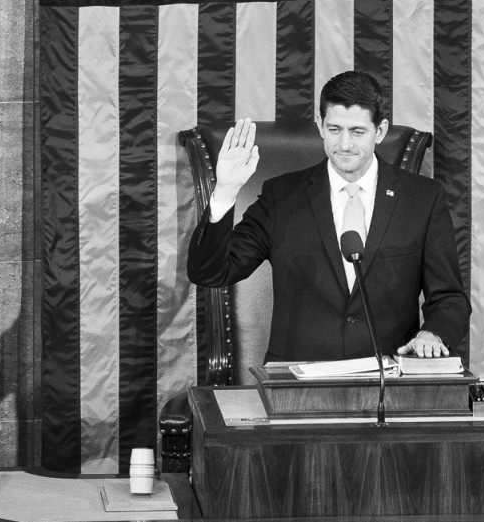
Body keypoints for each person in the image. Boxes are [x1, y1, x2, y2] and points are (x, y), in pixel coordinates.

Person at [187, 70, 469, 363]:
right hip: (296, 388)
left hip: (386, 381)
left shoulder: (422, 199)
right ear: (320, 126)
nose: (344, 144)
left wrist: (432, 334)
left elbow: (450, 298)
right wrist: (225, 192)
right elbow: (211, 273)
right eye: (334, 129)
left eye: (357, 131)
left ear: (381, 130)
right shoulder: (282, 196)